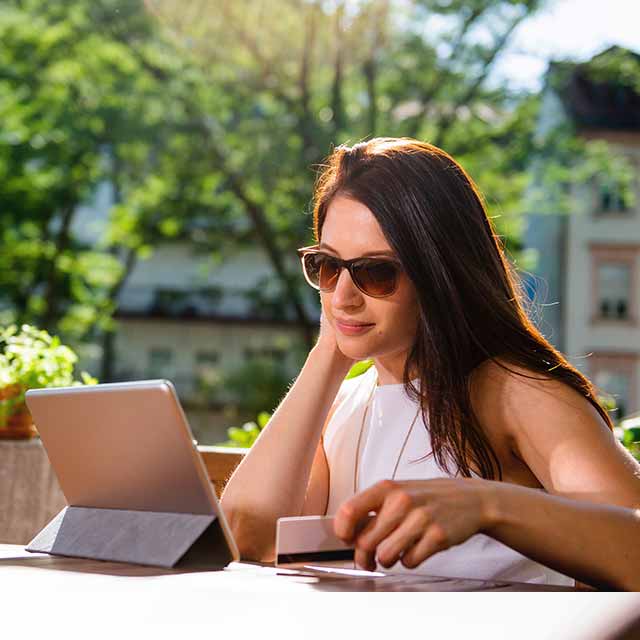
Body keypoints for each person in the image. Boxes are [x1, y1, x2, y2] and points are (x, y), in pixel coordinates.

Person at [220, 137, 640, 590]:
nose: (342, 296)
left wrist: (488, 507)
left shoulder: (517, 393)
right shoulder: (341, 407)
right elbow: (248, 537)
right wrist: (328, 352)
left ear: (440, 273)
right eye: (326, 266)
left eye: (375, 272)